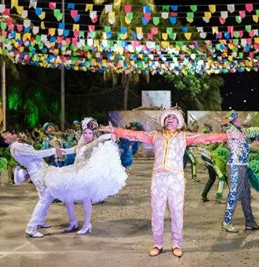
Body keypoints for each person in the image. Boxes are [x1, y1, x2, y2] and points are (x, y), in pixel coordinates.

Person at [100, 107, 238, 258]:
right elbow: (135, 135)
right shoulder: (155, 135)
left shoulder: (185, 136)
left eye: (173, 117)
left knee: (177, 212)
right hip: (158, 178)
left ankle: (176, 244)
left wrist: (228, 136)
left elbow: (206, 138)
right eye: (167, 117)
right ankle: (157, 244)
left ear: (178, 121)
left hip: (176, 178)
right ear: (163, 121)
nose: (170, 119)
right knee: (157, 211)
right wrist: (115, 130)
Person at [0, 124, 126, 238]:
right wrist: (53, 151)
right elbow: (36, 154)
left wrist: (112, 133)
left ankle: (46, 222)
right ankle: (32, 227)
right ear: (6, 140)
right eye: (5, 134)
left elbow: (98, 140)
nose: (9, 133)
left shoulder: (18, 145)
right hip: (40, 173)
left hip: (72, 173)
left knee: (50, 197)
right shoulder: (16, 147)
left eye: (89, 133)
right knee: (47, 198)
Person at [220, 111, 259, 233]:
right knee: (234, 193)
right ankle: (227, 222)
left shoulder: (242, 131)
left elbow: (253, 130)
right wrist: (228, 120)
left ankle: (250, 222)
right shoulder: (231, 129)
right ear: (234, 120)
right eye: (238, 117)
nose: (241, 119)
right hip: (235, 166)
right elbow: (224, 122)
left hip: (243, 166)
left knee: (246, 194)